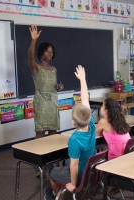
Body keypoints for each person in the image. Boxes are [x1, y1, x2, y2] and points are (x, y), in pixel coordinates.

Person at [45, 65, 96, 200]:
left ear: (73, 123)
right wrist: (83, 79)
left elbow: (74, 165)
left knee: (51, 173)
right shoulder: (91, 125)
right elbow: (85, 99)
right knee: (66, 168)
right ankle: (62, 191)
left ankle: (57, 194)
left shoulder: (74, 139)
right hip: (91, 171)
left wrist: (73, 184)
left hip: (80, 175)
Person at [28, 24, 64, 138]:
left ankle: (51, 155)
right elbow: (31, 57)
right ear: (41, 52)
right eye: (48, 51)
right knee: (40, 131)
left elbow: (53, 86)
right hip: (41, 103)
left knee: (53, 131)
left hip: (53, 102)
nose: (50, 54)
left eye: (52, 52)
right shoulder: (36, 68)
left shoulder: (54, 69)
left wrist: (59, 87)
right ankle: (40, 154)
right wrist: (34, 40)